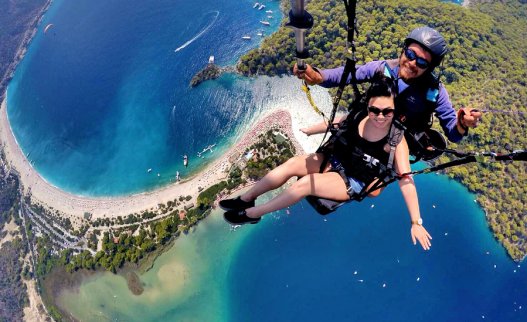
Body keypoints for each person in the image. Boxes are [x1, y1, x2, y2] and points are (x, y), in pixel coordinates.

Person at [220, 75, 432, 251]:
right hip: (335, 159)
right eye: (374, 110)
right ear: (367, 106)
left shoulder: (397, 140)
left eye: (387, 111)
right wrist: (313, 129)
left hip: (352, 180)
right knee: (293, 163)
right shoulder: (359, 115)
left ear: (396, 112)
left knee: (304, 184)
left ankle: (252, 214)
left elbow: (406, 180)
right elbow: (339, 122)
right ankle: (247, 199)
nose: (380, 116)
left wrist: (416, 221)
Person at [293, 26, 481, 145]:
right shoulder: (384, 69)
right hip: (370, 119)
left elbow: (453, 134)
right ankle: (311, 130)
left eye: (422, 63)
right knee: (348, 119)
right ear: (403, 51)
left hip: (397, 140)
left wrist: (462, 124)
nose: (413, 63)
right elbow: (349, 74)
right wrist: (318, 76)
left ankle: (313, 130)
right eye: (410, 54)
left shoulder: (435, 92)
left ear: (429, 68)